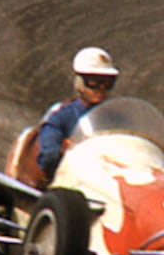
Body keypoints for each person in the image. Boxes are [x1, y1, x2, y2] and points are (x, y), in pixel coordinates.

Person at [35, 46, 119, 181]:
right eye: (93, 82)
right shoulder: (61, 116)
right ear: (80, 83)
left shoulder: (116, 118)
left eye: (107, 83)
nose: (101, 89)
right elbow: (48, 158)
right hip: (71, 184)